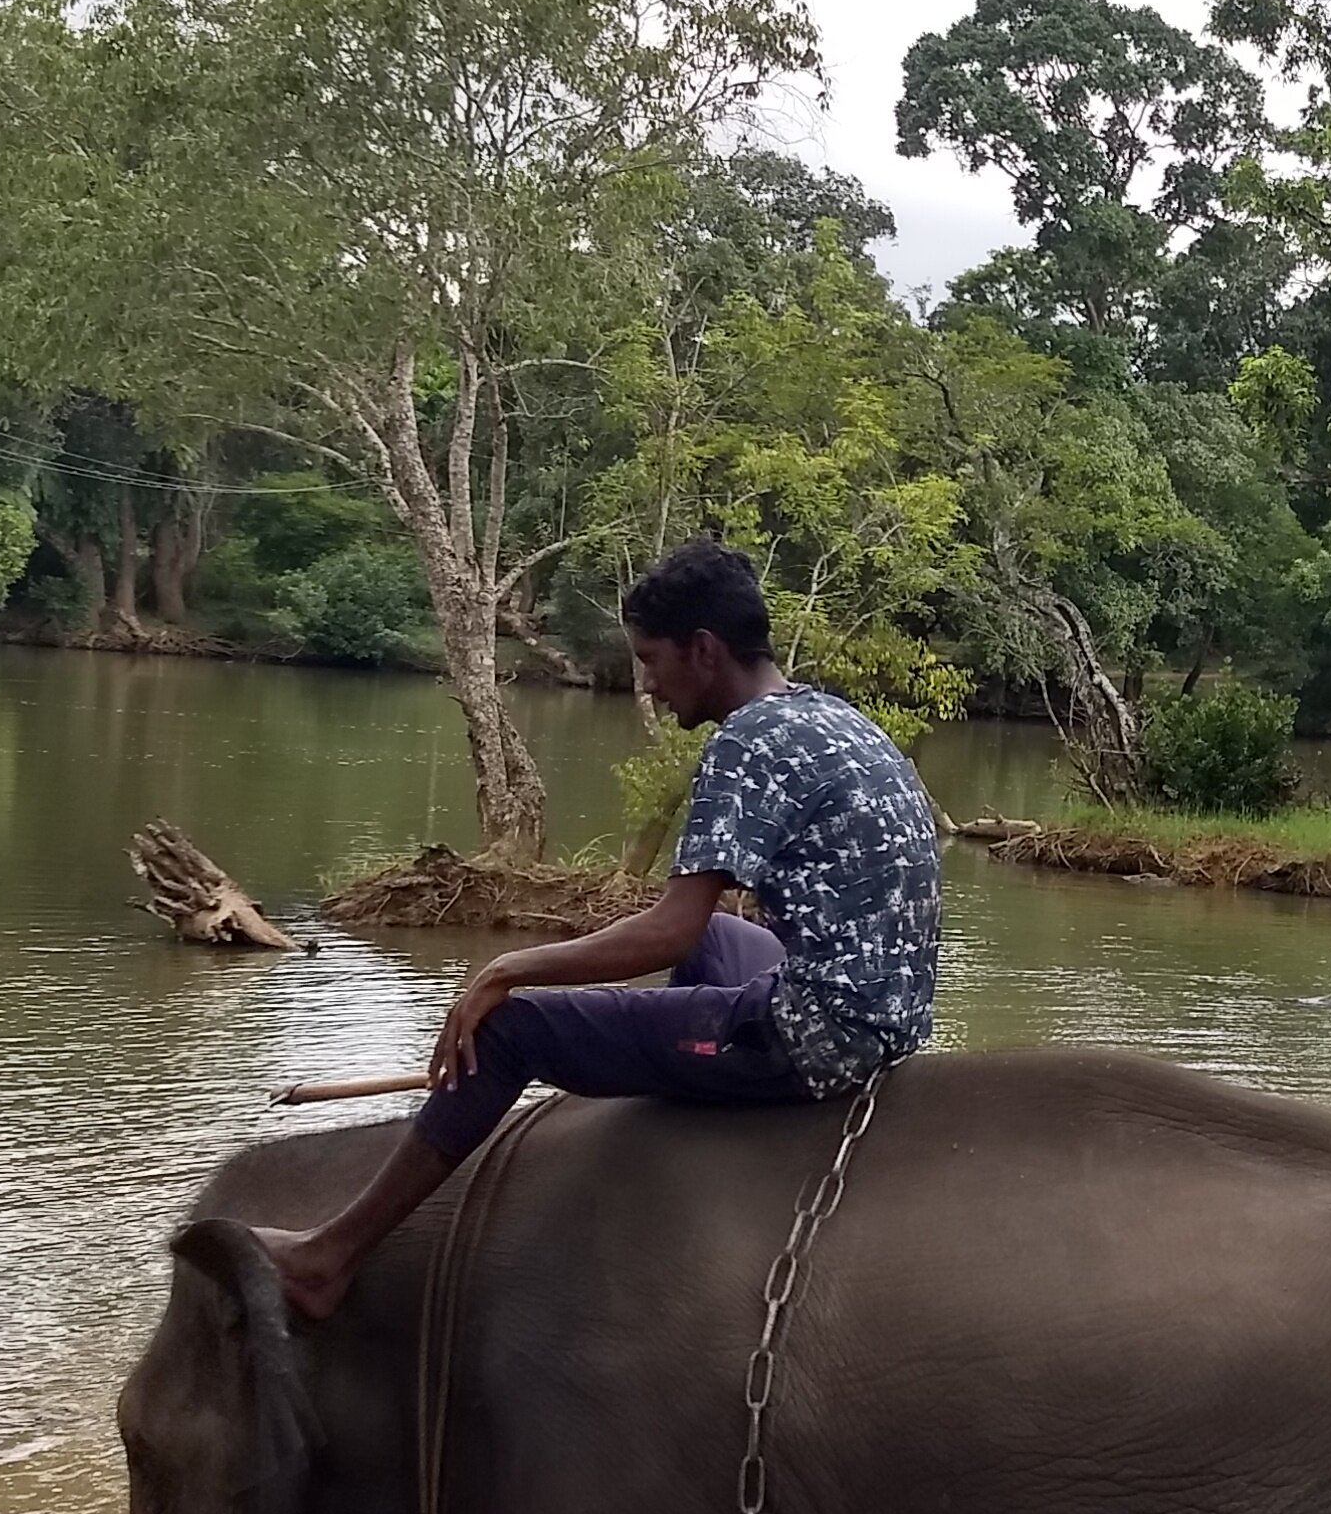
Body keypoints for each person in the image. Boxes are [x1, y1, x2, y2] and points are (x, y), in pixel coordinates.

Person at [261, 541, 942, 1322]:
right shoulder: (830, 715)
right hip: (884, 1019)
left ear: (705, 651)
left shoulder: (746, 743)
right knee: (721, 941)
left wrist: (504, 970)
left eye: (652, 660)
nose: (646, 683)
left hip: (815, 1038)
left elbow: (667, 932)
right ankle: (690, 1131)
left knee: (513, 1027)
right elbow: (699, 931)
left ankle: (329, 1257)